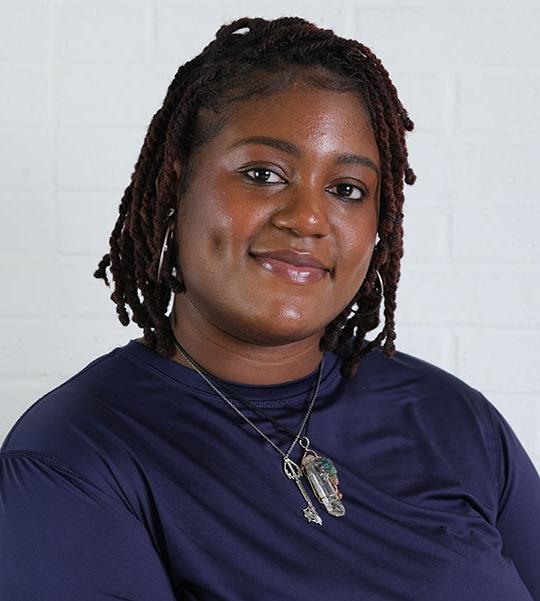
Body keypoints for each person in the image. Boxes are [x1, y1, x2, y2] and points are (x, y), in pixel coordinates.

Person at [1, 15, 539, 601]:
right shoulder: (73, 458)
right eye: (263, 175)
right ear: (178, 182)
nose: (308, 217)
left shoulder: (454, 421)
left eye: (347, 190)